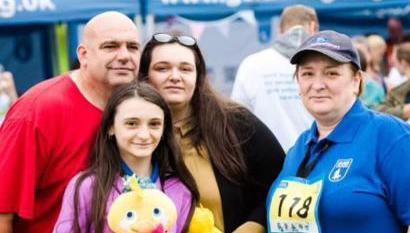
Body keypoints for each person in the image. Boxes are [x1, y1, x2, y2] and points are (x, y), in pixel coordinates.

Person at [0, 11, 141, 233]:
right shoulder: (37, 110)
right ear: (83, 55)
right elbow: (2, 212)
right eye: (110, 46)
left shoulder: (142, 110)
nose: (124, 56)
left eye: (132, 47)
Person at [266, 30, 410, 233]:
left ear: (356, 81)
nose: (317, 85)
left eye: (331, 73)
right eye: (308, 74)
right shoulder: (299, 148)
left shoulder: (391, 137)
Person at [139, 33, 285, 233]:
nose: (175, 76)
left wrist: (253, 226)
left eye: (185, 68)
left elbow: (282, 181)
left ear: (198, 77)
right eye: (162, 68)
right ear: (145, 76)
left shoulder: (235, 123)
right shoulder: (134, 131)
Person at [53, 82, 198, 233]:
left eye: (154, 124)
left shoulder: (179, 188)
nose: (143, 135)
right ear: (111, 127)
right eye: (132, 123)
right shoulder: (87, 187)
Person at [231, 4, 319, 151]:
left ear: (279, 30)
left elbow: (237, 121)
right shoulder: (324, 67)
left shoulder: (252, 64)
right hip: (315, 160)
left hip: (267, 162)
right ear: (313, 27)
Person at [377, 42, 410, 120]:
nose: (394, 65)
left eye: (395, 61)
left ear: (403, 62)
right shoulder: (406, 86)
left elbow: (381, 111)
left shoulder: (406, 87)